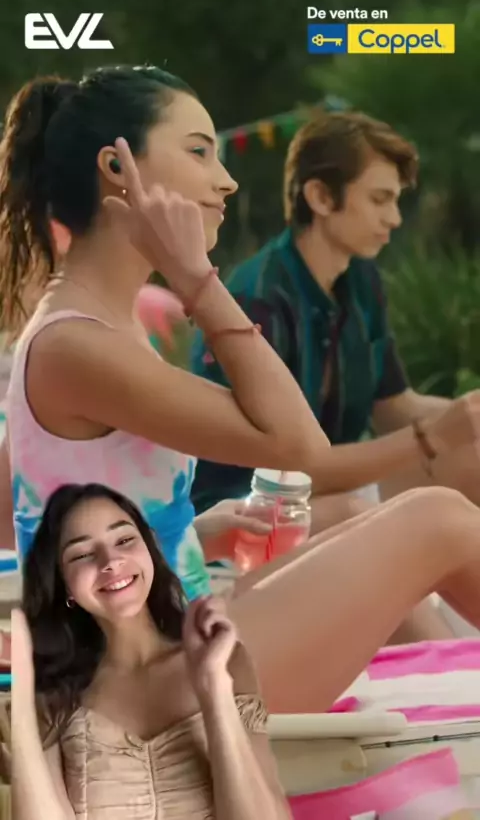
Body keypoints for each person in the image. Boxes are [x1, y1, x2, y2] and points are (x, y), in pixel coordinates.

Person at [0, 66, 480, 714]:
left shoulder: (98, 326)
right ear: (118, 168)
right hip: (143, 691)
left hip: (171, 638)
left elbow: (56, 514)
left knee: (398, 516)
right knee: (438, 519)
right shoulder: (75, 344)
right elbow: (299, 445)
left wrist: (194, 534)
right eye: (200, 152)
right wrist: (196, 279)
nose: (225, 180)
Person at [190, 111, 480, 521]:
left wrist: (466, 418)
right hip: (246, 505)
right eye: (379, 199)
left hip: (334, 485)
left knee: (472, 462)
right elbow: (286, 466)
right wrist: (430, 437)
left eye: (395, 200)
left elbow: (394, 408)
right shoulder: (255, 298)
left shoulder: (360, 279)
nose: (394, 218)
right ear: (321, 197)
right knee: (351, 511)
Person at [12, 483, 289, 820]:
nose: (111, 561)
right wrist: (23, 693)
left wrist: (213, 687)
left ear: (150, 549)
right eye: (83, 554)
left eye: (124, 540)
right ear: (64, 584)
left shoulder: (225, 659)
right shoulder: (54, 695)